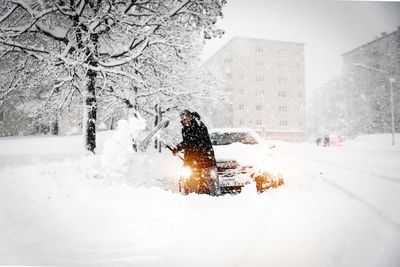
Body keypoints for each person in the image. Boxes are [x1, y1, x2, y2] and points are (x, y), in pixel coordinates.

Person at [172, 109, 220, 196]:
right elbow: (188, 145)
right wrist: (180, 151)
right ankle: (192, 201)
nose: (183, 121)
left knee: (212, 186)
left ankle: (214, 201)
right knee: (192, 187)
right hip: (192, 163)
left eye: (185, 118)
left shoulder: (200, 126)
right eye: (182, 119)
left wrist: (179, 147)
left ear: (190, 117)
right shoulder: (184, 130)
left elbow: (194, 142)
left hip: (206, 161)